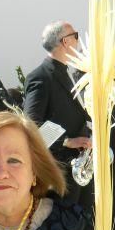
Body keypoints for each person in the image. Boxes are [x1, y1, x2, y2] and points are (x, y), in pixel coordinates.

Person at [23, 20, 92, 206]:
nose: (78, 41)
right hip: (61, 167)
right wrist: (68, 142)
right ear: (65, 41)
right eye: (75, 36)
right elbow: (30, 125)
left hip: (80, 163)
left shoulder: (67, 72)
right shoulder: (41, 76)